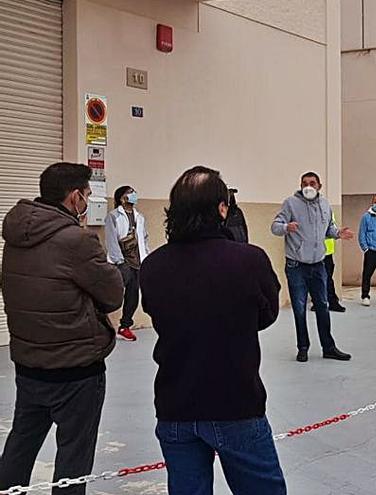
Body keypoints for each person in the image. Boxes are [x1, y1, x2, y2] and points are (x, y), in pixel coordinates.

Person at [140, 166, 286, 494]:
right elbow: (267, 314)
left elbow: (156, 314)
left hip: (175, 405)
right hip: (236, 404)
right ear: (222, 209)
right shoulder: (250, 260)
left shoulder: (153, 266)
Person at [0, 163, 123, 494]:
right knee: (73, 458)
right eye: (86, 194)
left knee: (21, 445)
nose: (88, 201)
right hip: (75, 370)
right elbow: (113, 293)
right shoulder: (77, 241)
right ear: (74, 197)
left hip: (29, 363)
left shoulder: (15, 236)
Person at [272, 171, 353, 363]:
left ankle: (329, 347)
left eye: (312, 183)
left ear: (319, 186)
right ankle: (303, 347)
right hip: (296, 265)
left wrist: (338, 233)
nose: (308, 186)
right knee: (299, 308)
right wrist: (286, 227)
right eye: (304, 183)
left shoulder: (325, 205)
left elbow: (327, 229)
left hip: (318, 264)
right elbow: (275, 226)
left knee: (323, 306)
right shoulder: (290, 203)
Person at [105, 185, 149, 342]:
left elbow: (144, 238)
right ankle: (101, 322)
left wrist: (146, 256)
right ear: (122, 198)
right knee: (112, 293)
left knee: (133, 296)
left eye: (133, 193)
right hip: (122, 262)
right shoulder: (113, 216)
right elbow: (111, 240)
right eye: (130, 193)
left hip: (137, 262)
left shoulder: (140, 217)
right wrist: (119, 261)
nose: (133, 195)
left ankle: (125, 326)